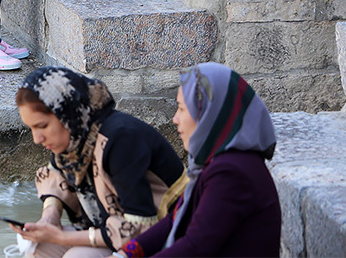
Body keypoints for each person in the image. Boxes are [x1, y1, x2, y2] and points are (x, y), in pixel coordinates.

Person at [9, 67, 185, 257]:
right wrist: (49, 218)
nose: (37, 139)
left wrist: (61, 238)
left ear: (67, 113)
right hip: (111, 233)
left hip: (163, 240)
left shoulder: (120, 141)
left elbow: (138, 229)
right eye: (31, 128)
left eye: (42, 126)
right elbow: (55, 175)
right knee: (38, 249)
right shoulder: (75, 137)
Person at [117, 63, 281, 256]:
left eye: (181, 109)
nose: (175, 119)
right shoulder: (218, 163)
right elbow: (175, 219)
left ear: (208, 114)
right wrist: (125, 254)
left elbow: (195, 247)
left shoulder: (231, 173)